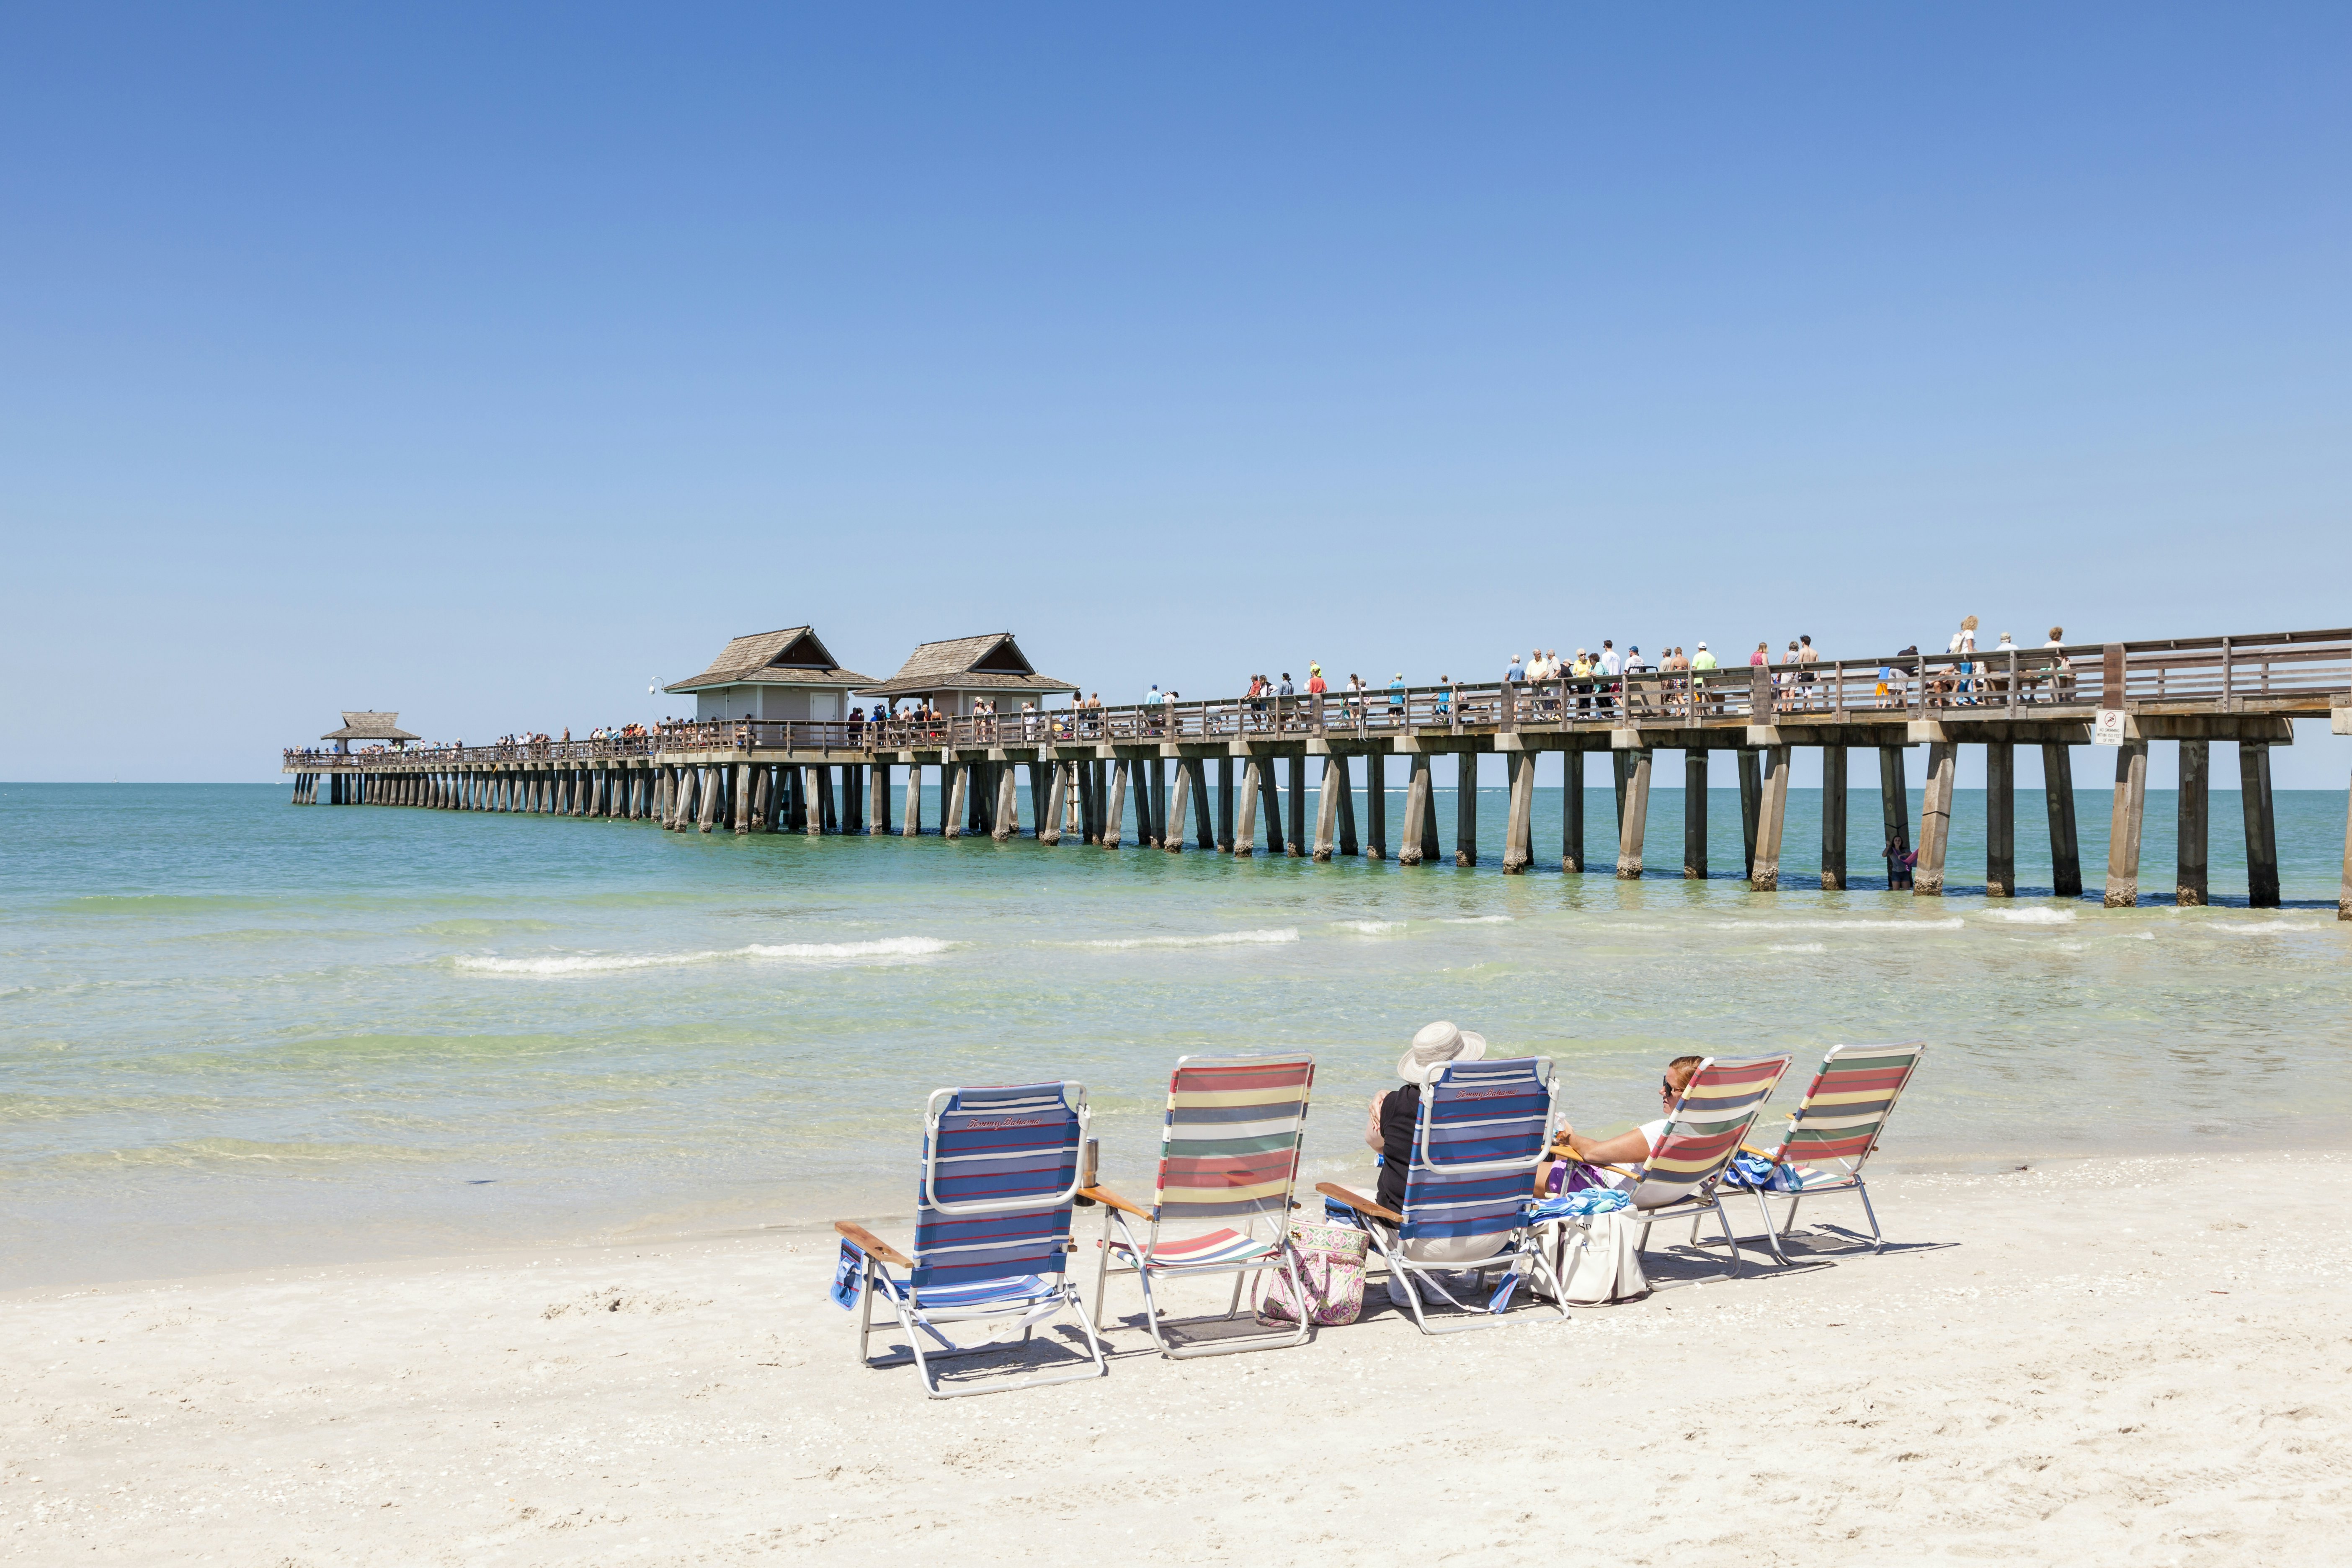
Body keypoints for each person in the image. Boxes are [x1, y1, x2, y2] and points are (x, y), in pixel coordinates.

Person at [1364, 1021, 1506, 1301]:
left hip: (1421, 1245)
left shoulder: (1399, 1104)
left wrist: (1383, 1101)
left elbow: (1374, 1142)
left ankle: (1403, 1274)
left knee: (1342, 1203)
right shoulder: (1503, 1100)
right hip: (1492, 1237)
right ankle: (1425, 1277)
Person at [1535, 1055, 1706, 1195]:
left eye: (1669, 1088)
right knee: (1561, 1154)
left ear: (1691, 1095)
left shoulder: (1664, 1132)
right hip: (1668, 1194)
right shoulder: (1714, 1130)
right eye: (1664, 1083)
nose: (1662, 1091)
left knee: (1516, 1176)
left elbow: (1591, 1153)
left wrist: (1569, 1136)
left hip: (1606, 1187)